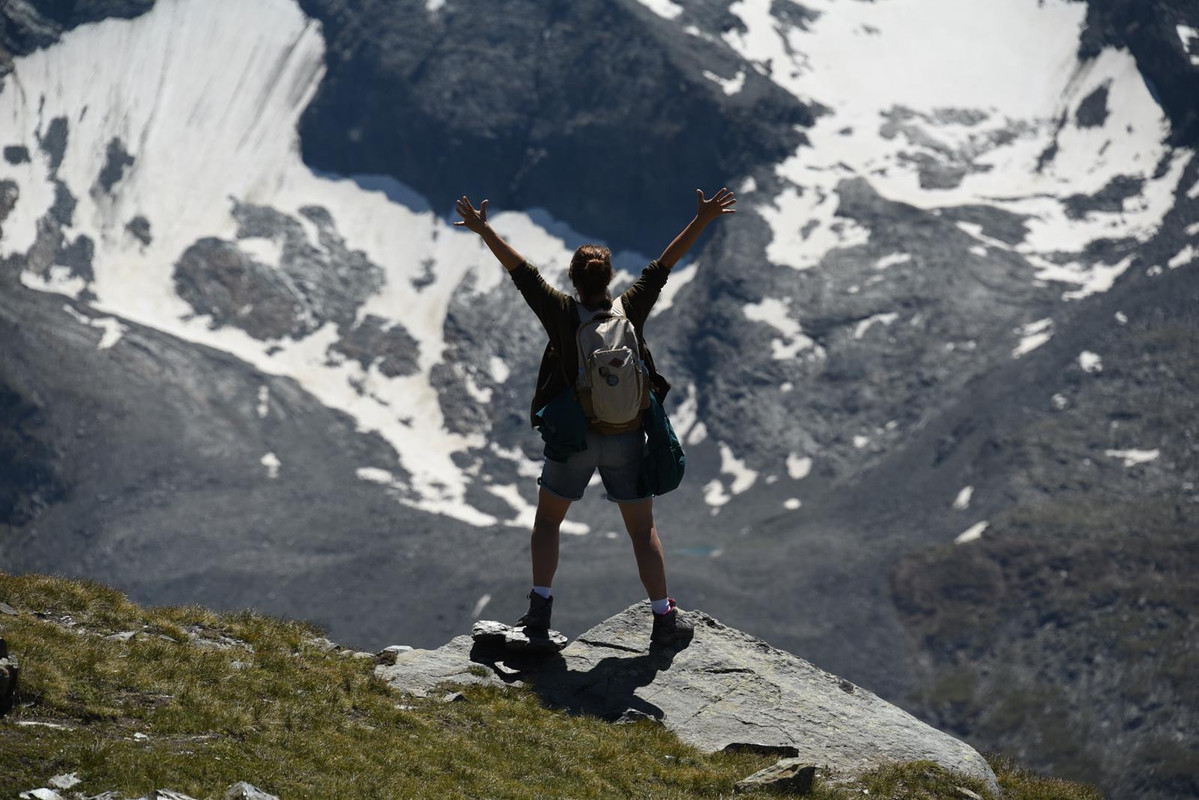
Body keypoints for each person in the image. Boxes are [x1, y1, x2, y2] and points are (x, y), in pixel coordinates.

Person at [453, 188, 736, 646]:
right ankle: (664, 617)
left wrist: (485, 230)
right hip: (626, 437)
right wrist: (702, 219)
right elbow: (663, 266)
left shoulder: (562, 313)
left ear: (573, 279)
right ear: (609, 279)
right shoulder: (631, 308)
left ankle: (539, 613)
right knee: (642, 531)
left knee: (548, 522)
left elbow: (521, 273)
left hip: (576, 439)